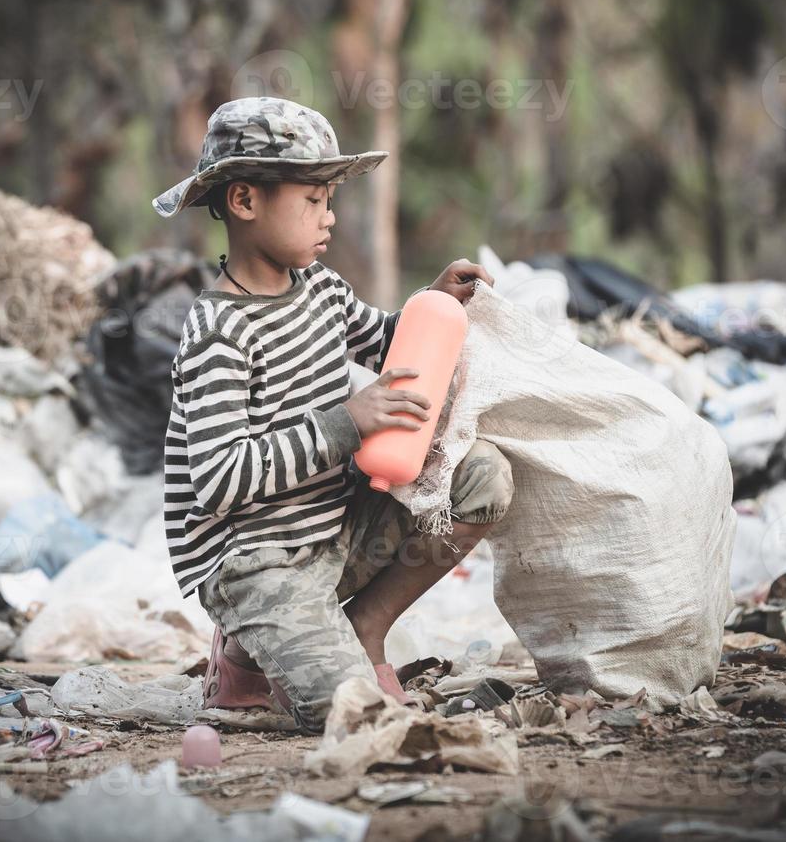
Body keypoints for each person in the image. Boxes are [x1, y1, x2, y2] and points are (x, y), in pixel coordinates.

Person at [152, 97, 515, 732]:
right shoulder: (218, 332)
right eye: (314, 199)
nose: (330, 216)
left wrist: (433, 303)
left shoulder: (320, 288)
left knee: (482, 478)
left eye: (330, 199)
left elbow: (387, 344)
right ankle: (245, 648)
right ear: (244, 201)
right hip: (258, 560)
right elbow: (216, 479)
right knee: (354, 715)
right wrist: (347, 423)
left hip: (336, 530)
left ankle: (364, 630)